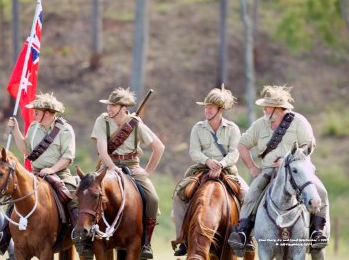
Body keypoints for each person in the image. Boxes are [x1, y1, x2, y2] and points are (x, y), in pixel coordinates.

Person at [228, 85, 329, 256]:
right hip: (269, 171)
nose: (264, 109)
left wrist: (288, 159)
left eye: (267, 106)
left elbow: (308, 145)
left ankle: (317, 231)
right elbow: (242, 145)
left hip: (297, 169)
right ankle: (243, 232)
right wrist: (252, 167)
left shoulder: (299, 122)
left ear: (278, 108)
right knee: (251, 194)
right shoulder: (259, 124)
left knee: (321, 192)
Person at [0, 93, 79, 255]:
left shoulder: (66, 130)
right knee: (15, 199)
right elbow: (26, 149)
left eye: (37, 111)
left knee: (71, 197)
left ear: (47, 112)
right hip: (36, 174)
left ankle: (79, 236)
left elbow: (68, 157)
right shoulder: (33, 127)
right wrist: (16, 130)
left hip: (60, 173)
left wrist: (52, 170)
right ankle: (4, 236)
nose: (34, 113)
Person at [172, 85, 250, 256]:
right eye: (206, 107)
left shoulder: (232, 128)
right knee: (179, 195)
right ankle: (182, 238)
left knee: (247, 194)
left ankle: (246, 236)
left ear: (220, 109)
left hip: (227, 169)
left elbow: (234, 152)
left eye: (211, 107)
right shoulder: (198, 128)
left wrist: (220, 164)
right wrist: (208, 161)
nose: (207, 110)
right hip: (201, 168)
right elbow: (194, 151)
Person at [89, 87, 164, 259]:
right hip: (108, 165)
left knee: (153, 199)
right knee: (86, 192)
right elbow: (102, 150)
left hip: (132, 165)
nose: (109, 108)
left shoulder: (135, 123)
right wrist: (111, 167)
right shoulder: (102, 121)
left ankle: (146, 242)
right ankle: (86, 237)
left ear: (124, 108)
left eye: (114, 105)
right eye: (109, 104)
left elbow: (159, 147)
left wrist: (147, 172)